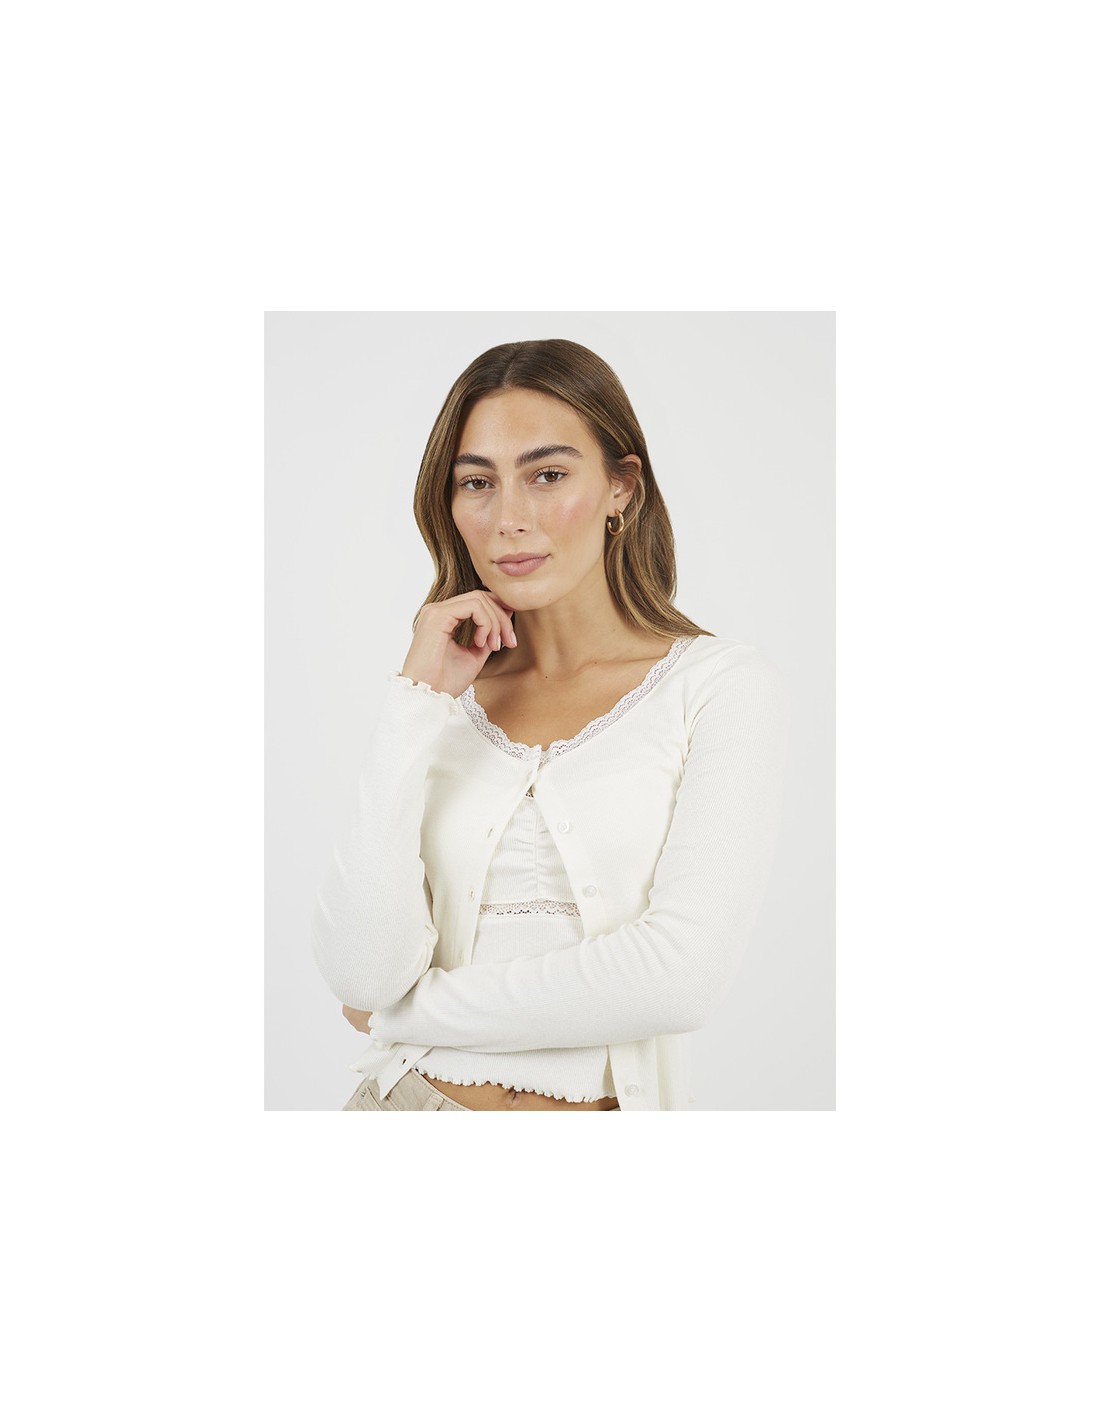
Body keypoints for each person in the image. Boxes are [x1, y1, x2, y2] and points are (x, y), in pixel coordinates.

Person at [310, 337, 791, 1111]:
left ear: (621, 488)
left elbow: (678, 976)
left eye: (548, 475)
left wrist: (404, 1017)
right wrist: (415, 699)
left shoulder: (718, 688)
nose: (510, 519)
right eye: (477, 482)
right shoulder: (437, 705)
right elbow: (364, 973)